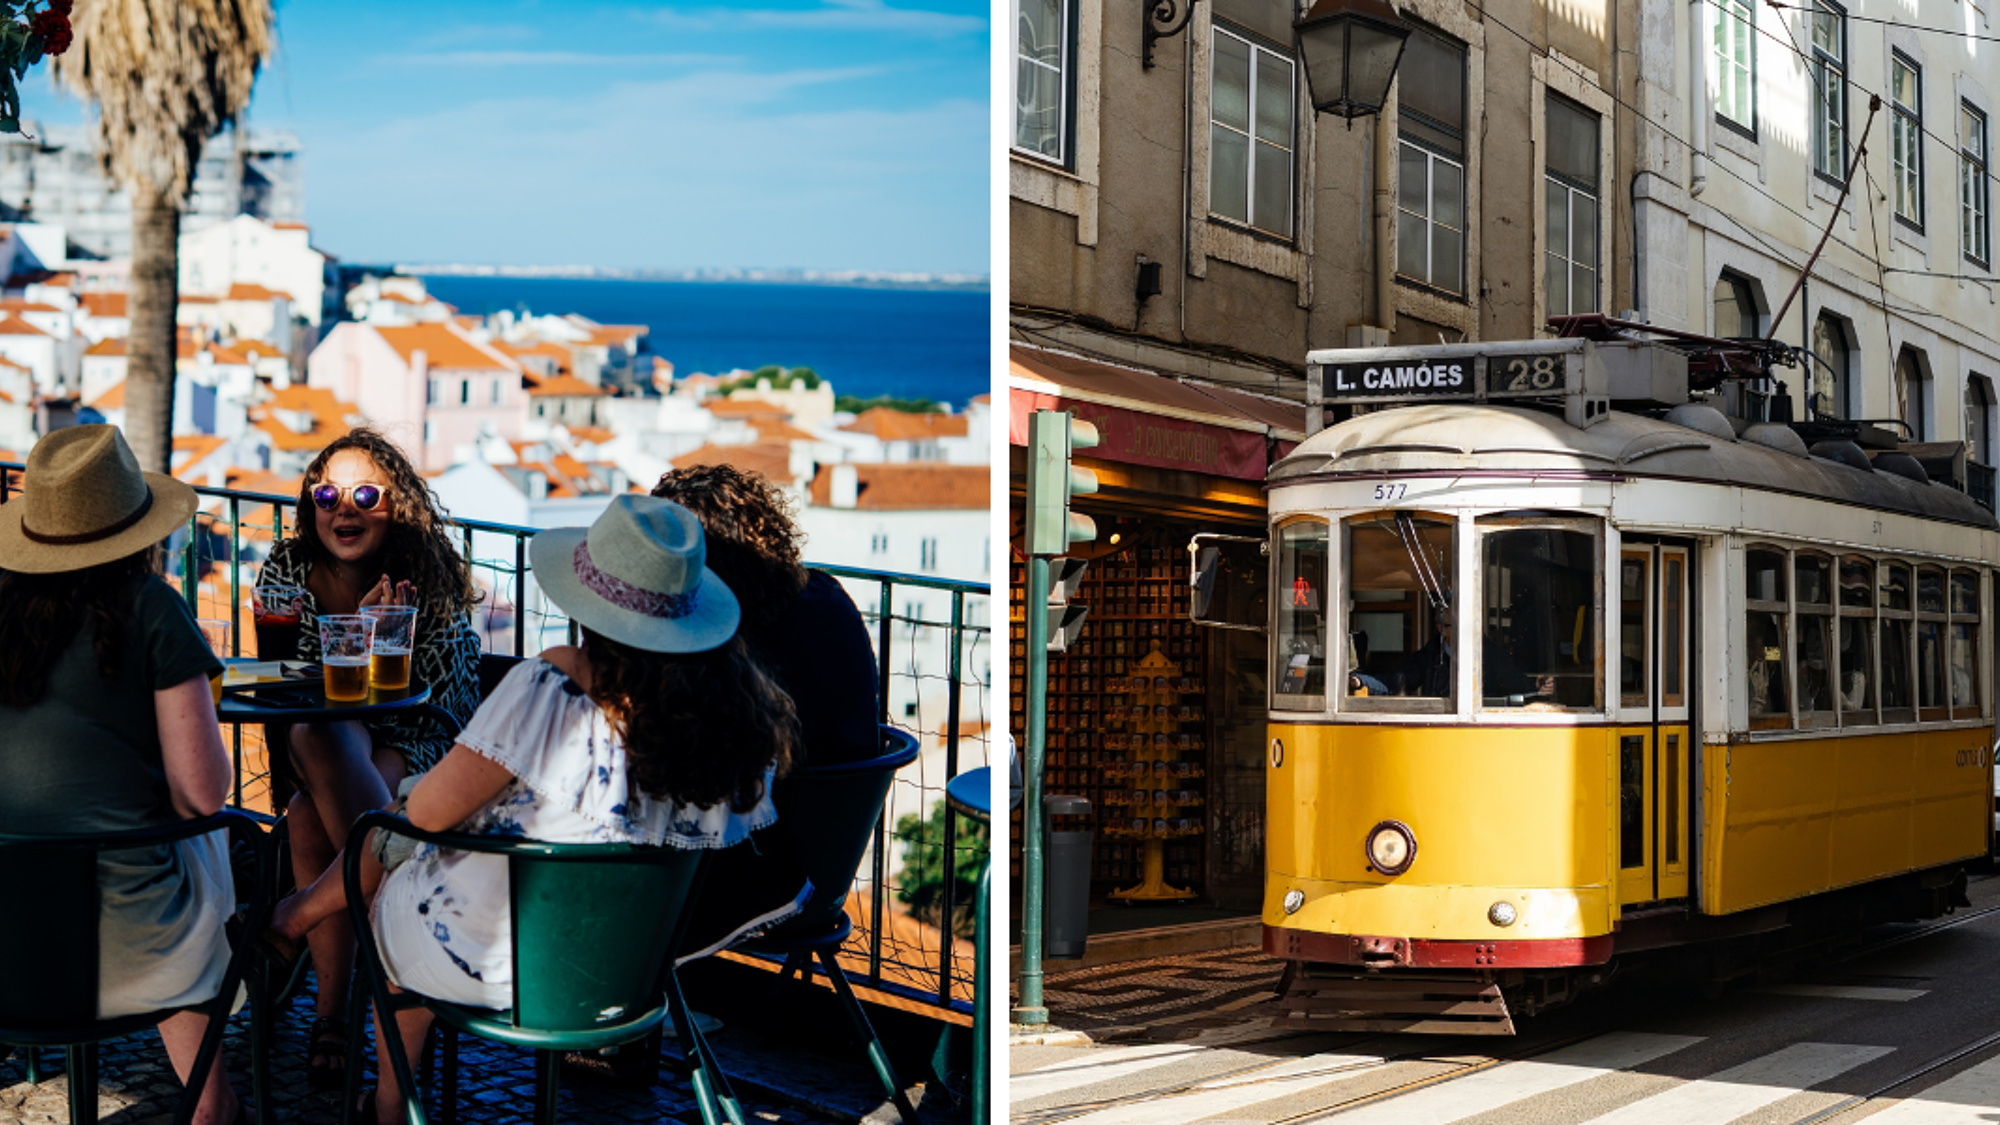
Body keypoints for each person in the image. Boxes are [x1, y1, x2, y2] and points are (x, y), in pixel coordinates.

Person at [258, 495, 798, 1125]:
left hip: (496, 961)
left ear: (589, 603)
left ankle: (387, 1101)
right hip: (633, 973)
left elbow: (427, 813)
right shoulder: (739, 722)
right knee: (406, 834)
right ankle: (295, 921)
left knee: (398, 848)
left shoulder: (555, 683)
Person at [0, 426, 243, 1125]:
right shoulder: (153, 607)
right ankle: (211, 1104)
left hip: (9, 953)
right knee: (209, 835)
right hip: (133, 959)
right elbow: (203, 793)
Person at [256, 427, 483, 1087]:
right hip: (328, 736)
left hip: (422, 742)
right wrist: (354, 637)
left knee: (307, 816)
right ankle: (393, 965)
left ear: (397, 505)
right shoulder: (287, 568)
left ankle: (331, 1007)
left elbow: (435, 705)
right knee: (318, 735)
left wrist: (382, 643)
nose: (343, 509)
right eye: (327, 494)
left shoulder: (430, 578)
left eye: (364, 494)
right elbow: (287, 684)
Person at [649, 465, 878, 959]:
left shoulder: (731, 635)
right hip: (829, 864)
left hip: (766, 870)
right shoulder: (827, 595)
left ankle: (632, 980)